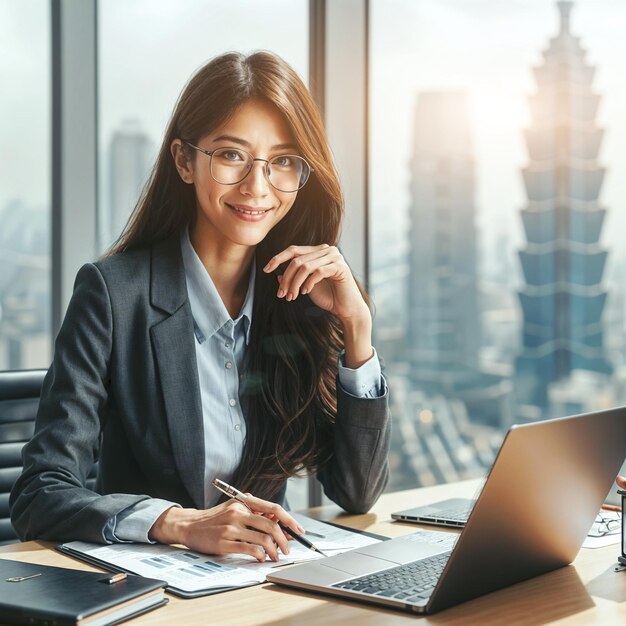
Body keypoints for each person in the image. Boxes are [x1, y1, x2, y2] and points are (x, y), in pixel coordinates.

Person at [10, 51, 390, 562]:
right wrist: (180, 523)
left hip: (261, 590)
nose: (258, 187)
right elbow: (40, 494)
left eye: (281, 162)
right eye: (232, 155)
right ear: (185, 161)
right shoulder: (113, 294)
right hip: (152, 597)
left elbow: (356, 491)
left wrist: (357, 329)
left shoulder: (299, 298)